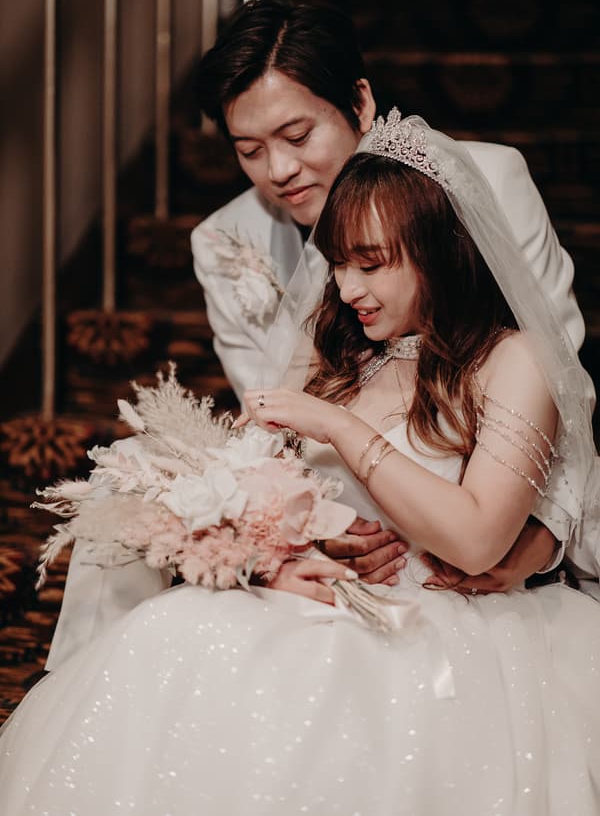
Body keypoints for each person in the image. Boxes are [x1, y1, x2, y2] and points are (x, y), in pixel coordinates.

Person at [1, 113, 598, 815]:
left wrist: (340, 428)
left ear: (441, 251)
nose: (346, 289)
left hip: (444, 625)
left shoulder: (511, 359)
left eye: (371, 264)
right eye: (339, 263)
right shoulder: (341, 354)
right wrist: (292, 548)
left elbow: (476, 540)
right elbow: (269, 488)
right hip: (317, 599)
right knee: (174, 633)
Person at [191, 0, 597, 597]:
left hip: (491, 502)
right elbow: (273, 421)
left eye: (297, 135)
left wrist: (538, 537)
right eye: (249, 151)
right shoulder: (227, 242)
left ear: (359, 102)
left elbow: (562, 379)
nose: (278, 170)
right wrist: (301, 537)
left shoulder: (483, 184)